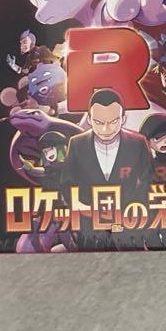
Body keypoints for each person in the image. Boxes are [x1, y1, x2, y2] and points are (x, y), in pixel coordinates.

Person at [60, 89, 154, 238]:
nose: (106, 129)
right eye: (98, 122)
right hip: (89, 224)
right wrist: (83, 209)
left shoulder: (138, 143)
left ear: (123, 118)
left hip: (130, 222)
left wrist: (134, 208)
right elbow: (66, 182)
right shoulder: (76, 143)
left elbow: (148, 180)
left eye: (113, 121)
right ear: (89, 119)